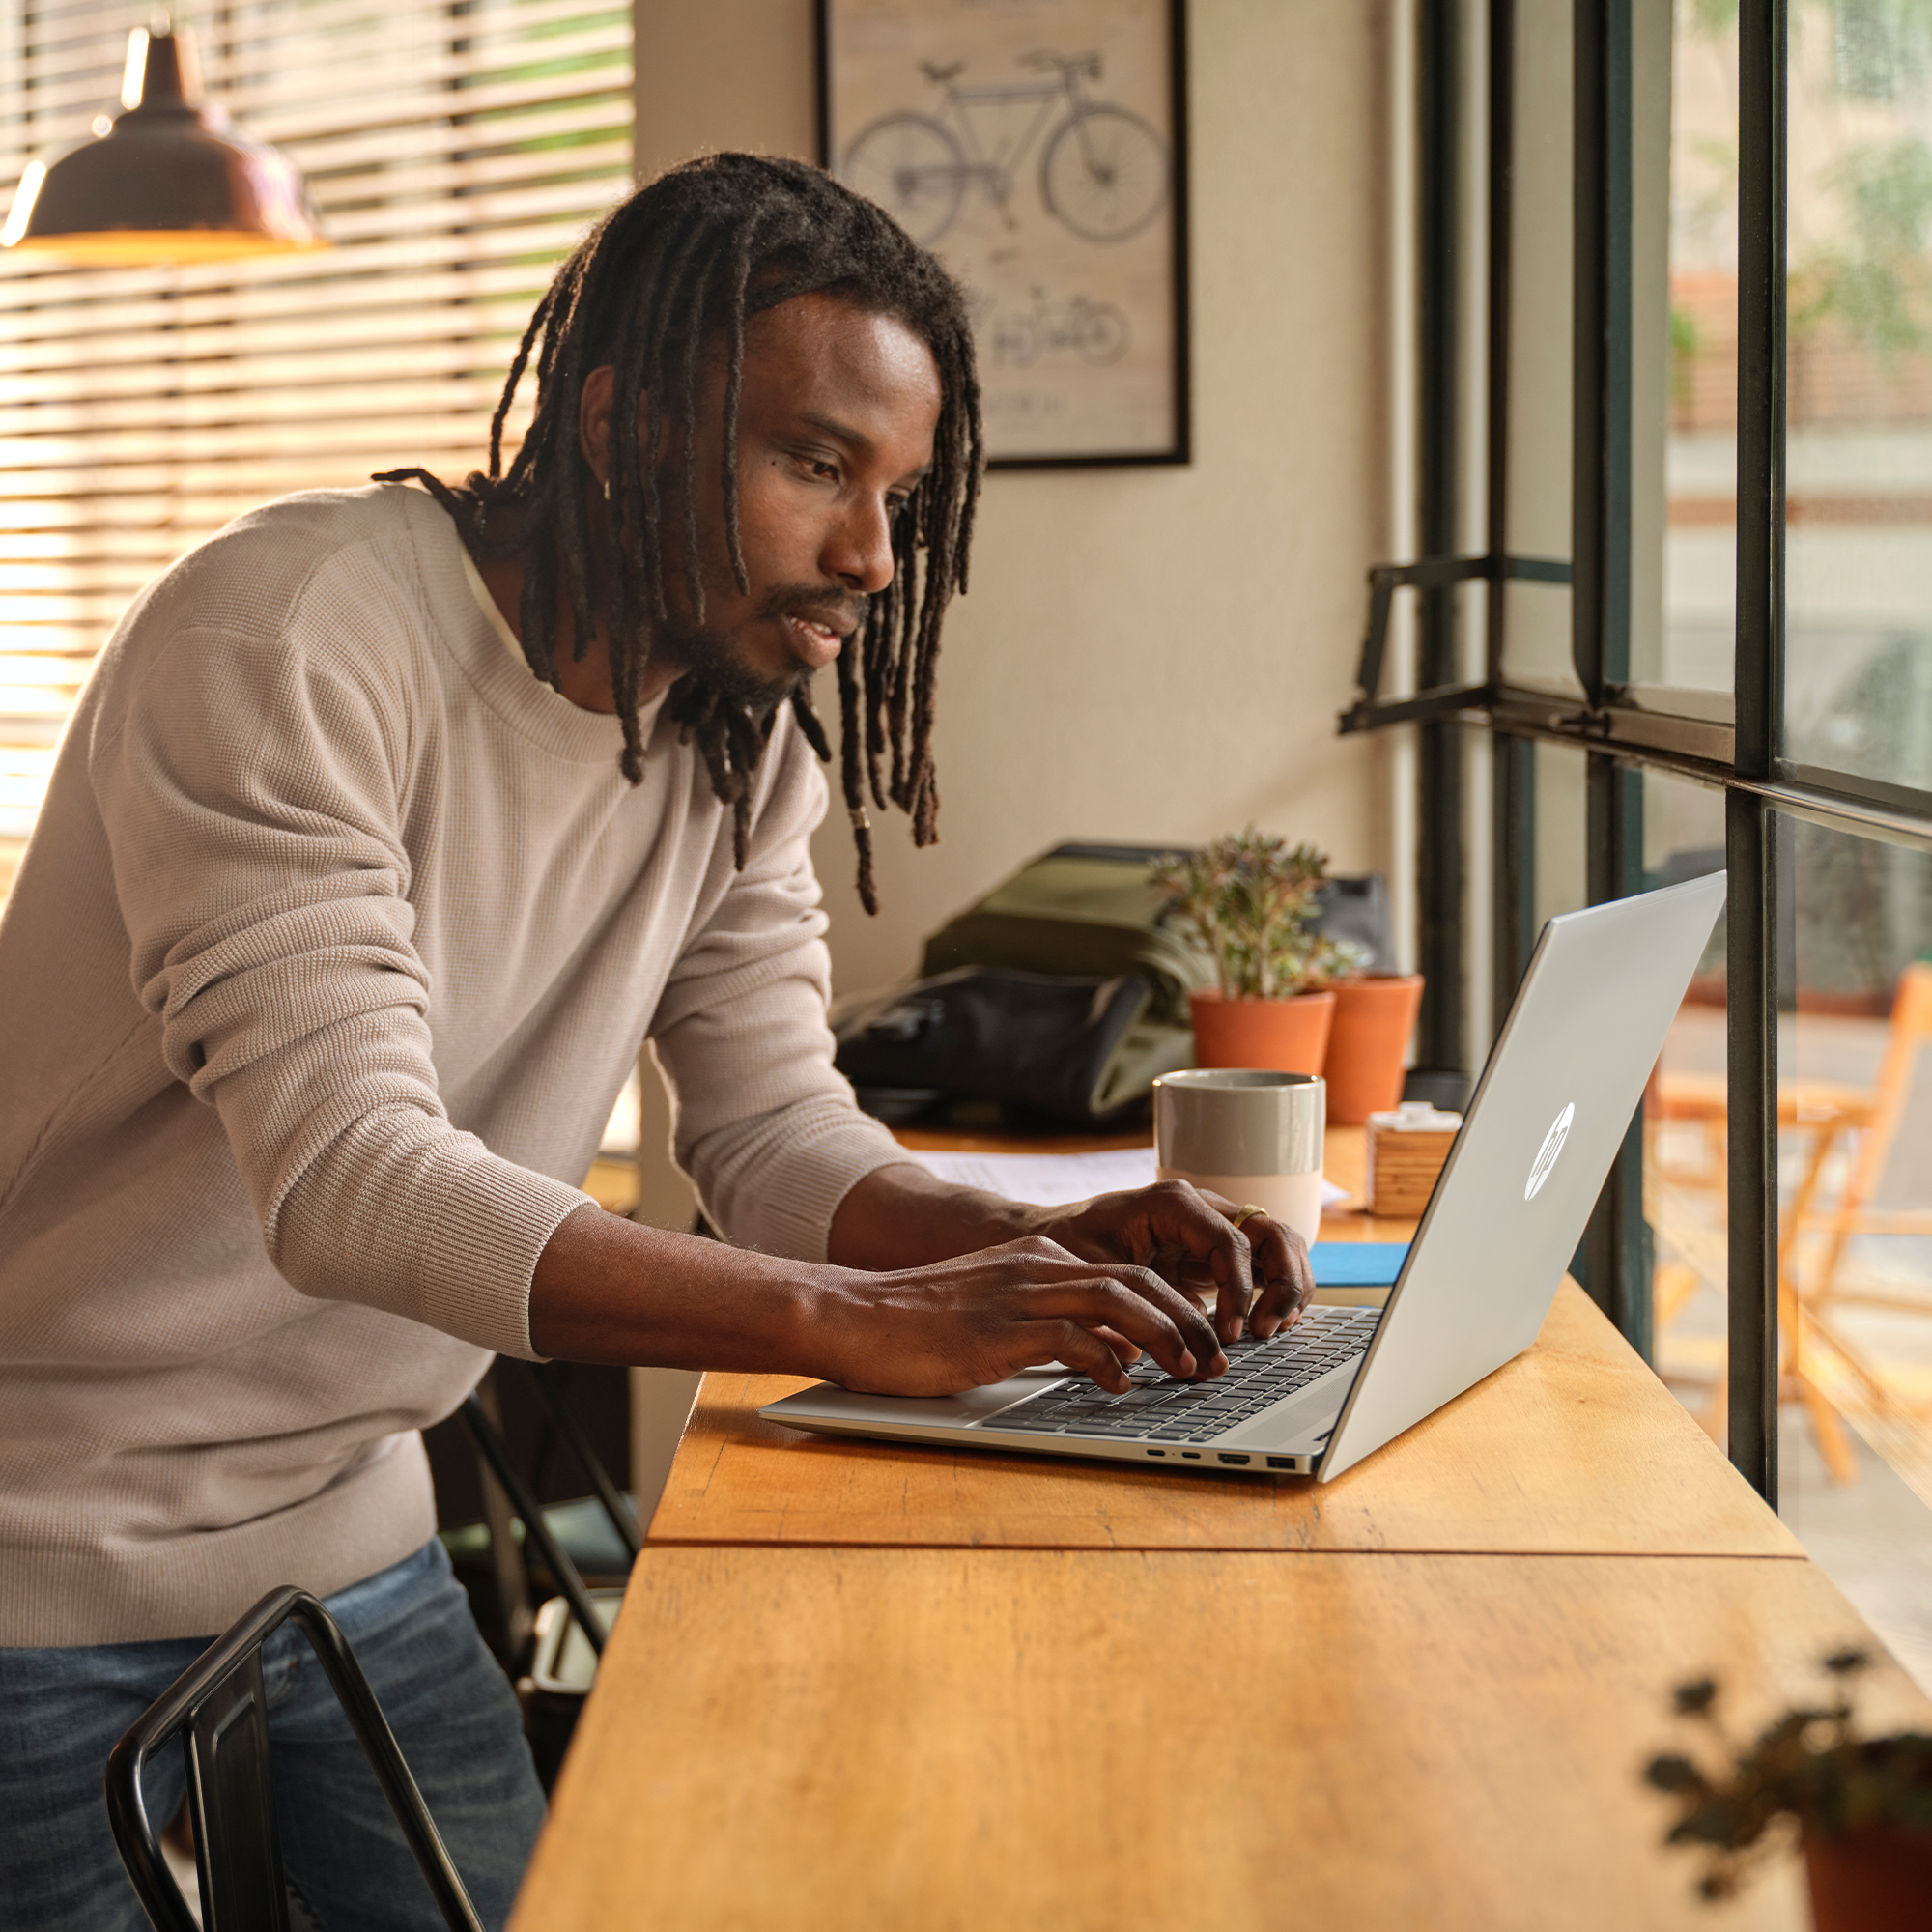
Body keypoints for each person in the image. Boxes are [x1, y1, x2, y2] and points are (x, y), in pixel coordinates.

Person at [0, 155, 1310, 1931]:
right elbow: (353, 1188)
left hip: (348, 1528)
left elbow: (775, 1136)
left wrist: (1034, 1249)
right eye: (817, 464)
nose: (869, 553)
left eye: (899, 494)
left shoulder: (739, 749)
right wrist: (865, 1324)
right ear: (618, 423)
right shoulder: (290, 635)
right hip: (36, 1549)